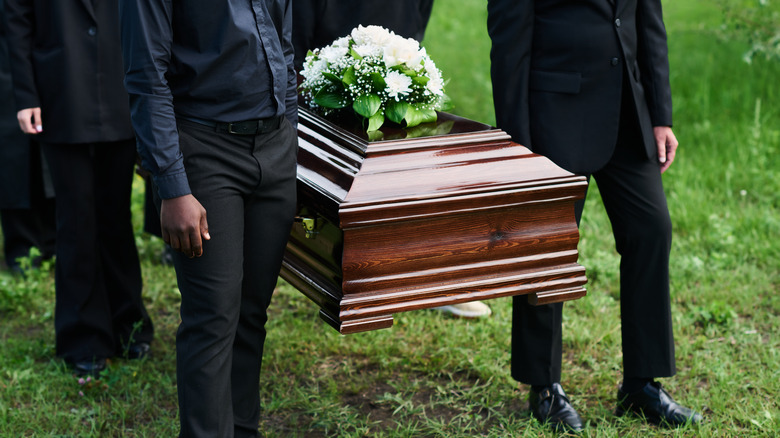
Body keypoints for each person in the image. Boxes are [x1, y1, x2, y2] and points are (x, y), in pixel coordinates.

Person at [487, 0, 703, 432]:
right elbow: (509, 47)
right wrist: (517, 144)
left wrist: (660, 114)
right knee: (550, 246)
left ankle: (642, 384)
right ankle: (544, 386)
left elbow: (648, 22)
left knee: (651, 230)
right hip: (553, 115)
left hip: (628, 112)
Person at [119, 1, 298, 436]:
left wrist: (290, 132)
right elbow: (146, 78)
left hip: (275, 146)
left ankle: (242, 429)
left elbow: (284, 44)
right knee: (213, 316)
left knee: (252, 312)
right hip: (205, 149)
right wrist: (174, 186)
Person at [293, 0, 491, 319]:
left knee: (407, 163)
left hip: (394, 42)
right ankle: (330, 266)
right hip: (324, 52)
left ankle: (428, 274)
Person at [5, 0, 154, 376]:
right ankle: (82, 337)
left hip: (121, 88)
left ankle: (128, 323)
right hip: (60, 92)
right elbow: (16, 19)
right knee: (74, 221)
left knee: (116, 218)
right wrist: (26, 97)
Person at [0, 0, 55, 275]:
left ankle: (52, 241)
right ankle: (22, 248)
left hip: (47, 51)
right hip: (5, 63)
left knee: (50, 150)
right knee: (12, 156)